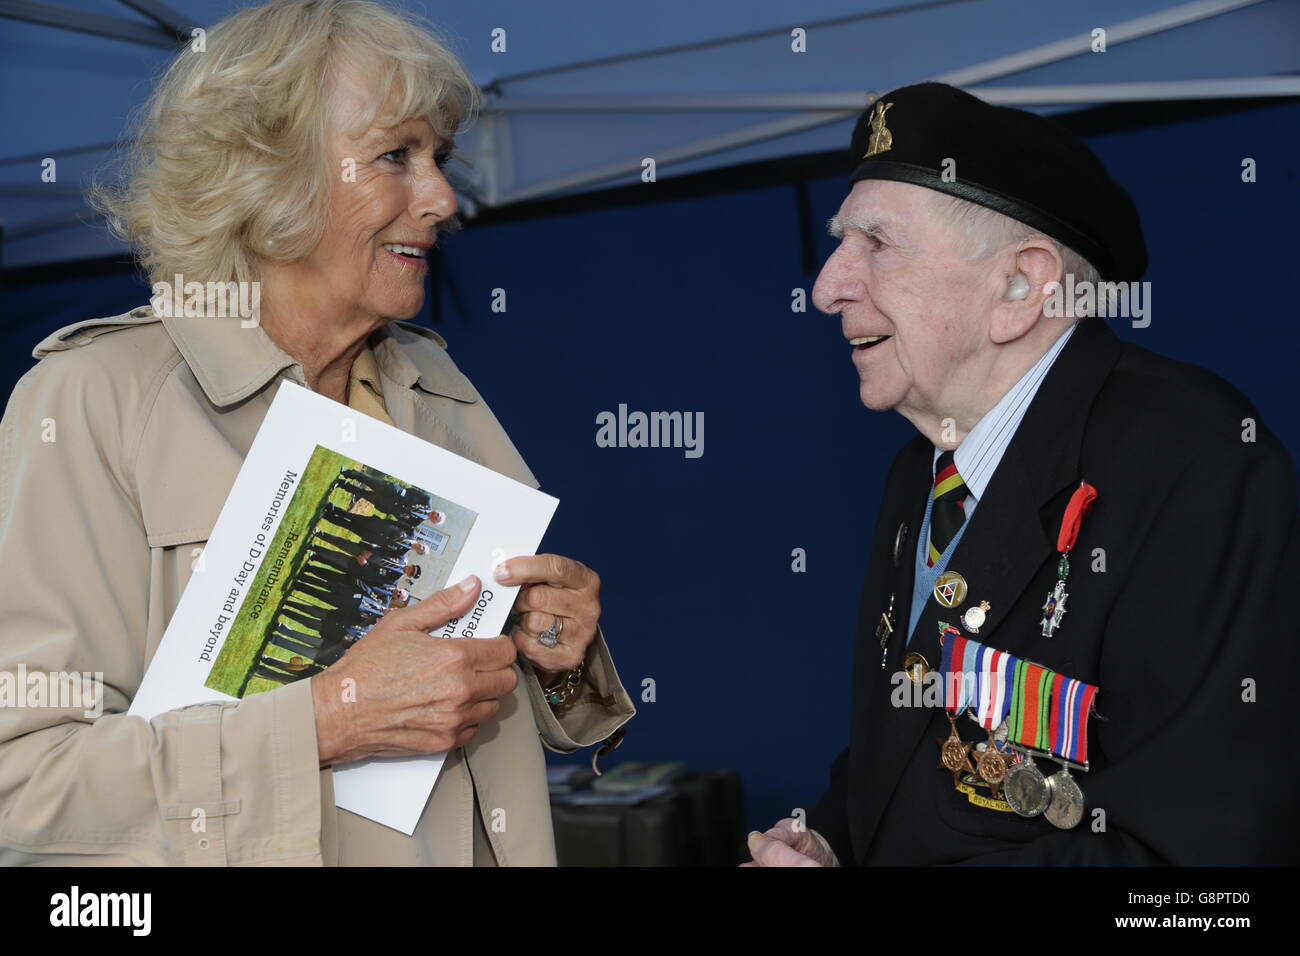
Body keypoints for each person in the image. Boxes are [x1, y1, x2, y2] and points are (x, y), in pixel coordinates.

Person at [0, 0, 634, 866]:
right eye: (395, 157)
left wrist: (560, 659)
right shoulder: (94, 402)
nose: (445, 198)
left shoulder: (439, 385)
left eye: (438, 158)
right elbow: (26, 789)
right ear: (268, 174)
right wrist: (326, 720)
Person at [746, 82, 1299, 866]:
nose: (827, 285)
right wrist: (831, 838)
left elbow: (1204, 886)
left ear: (1020, 288)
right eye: (841, 242)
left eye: (875, 242)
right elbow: (910, 751)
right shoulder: (924, 469)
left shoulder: (1201, 467)